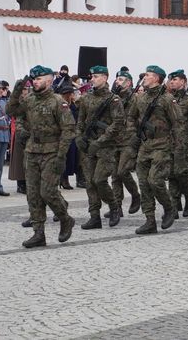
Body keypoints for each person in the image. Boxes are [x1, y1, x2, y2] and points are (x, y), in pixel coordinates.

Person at [7, 65, 76, 248]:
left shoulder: (57, 101)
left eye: (39, 79)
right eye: (34, 79)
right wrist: (16, 91)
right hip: (31, 151)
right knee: (33, 193)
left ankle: (65, 218)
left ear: (49, 80)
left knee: (48, 192)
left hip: (51, 152)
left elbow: (68, 130)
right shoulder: (29, 100)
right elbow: (11, 111)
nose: (35, 82)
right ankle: (38, 233)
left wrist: (61, 156)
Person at [125, 65, 178, 235]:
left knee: (155, 180)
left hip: (162, 145)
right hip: (145, 145)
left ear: (156, 78)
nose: (144, 78)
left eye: (147, 75)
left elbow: (178, 123)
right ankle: (150, 220)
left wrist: (177, 149)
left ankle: (169, 207)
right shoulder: (139, 98)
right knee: (144, 183)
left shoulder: (167, 99)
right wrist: (133, 134)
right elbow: (131, 118)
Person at [75, 66, 125, 229]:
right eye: (92, 76)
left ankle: (114, 206)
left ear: (105, 78)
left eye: (96, 76)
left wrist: (101, 140)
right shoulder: (86, 99)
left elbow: (117, 123)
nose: (92, 79)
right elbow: (80, 121)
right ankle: (94, 216)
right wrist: (79, 137)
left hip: (106, 147)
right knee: (90, 182)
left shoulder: (114, 99)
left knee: (99, 180)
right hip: (89, 146)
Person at [167, 69, 188, 218]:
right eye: (171, 80)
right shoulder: (167, 98)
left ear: (183, 82)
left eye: (175, 79)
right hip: (169, 143)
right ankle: (173, 206)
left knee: (182, 173)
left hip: (184, 144)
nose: (172, 82)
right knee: (172, 174)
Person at [111, 68, 141, 215]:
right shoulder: (113, 99)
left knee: (123, 171)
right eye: (117, 79)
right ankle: (117, 207)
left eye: (121, 79)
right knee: (115, 175)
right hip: (114, 140)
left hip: (128, 140)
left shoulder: (135, 99)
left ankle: (135, 195)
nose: (118, 81)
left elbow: (141, 120)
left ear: (129, 83)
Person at [8, 81, 30, 194]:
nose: (25, 91)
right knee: (18, 160)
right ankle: (20, 184)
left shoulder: (31, 100)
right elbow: (10, 111)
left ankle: (27, 183)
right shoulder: (16, 101)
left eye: (26, 89)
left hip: (29, 133)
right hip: (19, 132)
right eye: (23, 89)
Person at [58, 84, 78, 190]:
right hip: (64, 135)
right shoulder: (62, 104)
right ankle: (63, 179)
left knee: (71, 157)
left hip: (73, 135)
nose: (74, 95)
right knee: (64, 157)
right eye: (72, 93)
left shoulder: (72, 104)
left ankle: (65, 178)